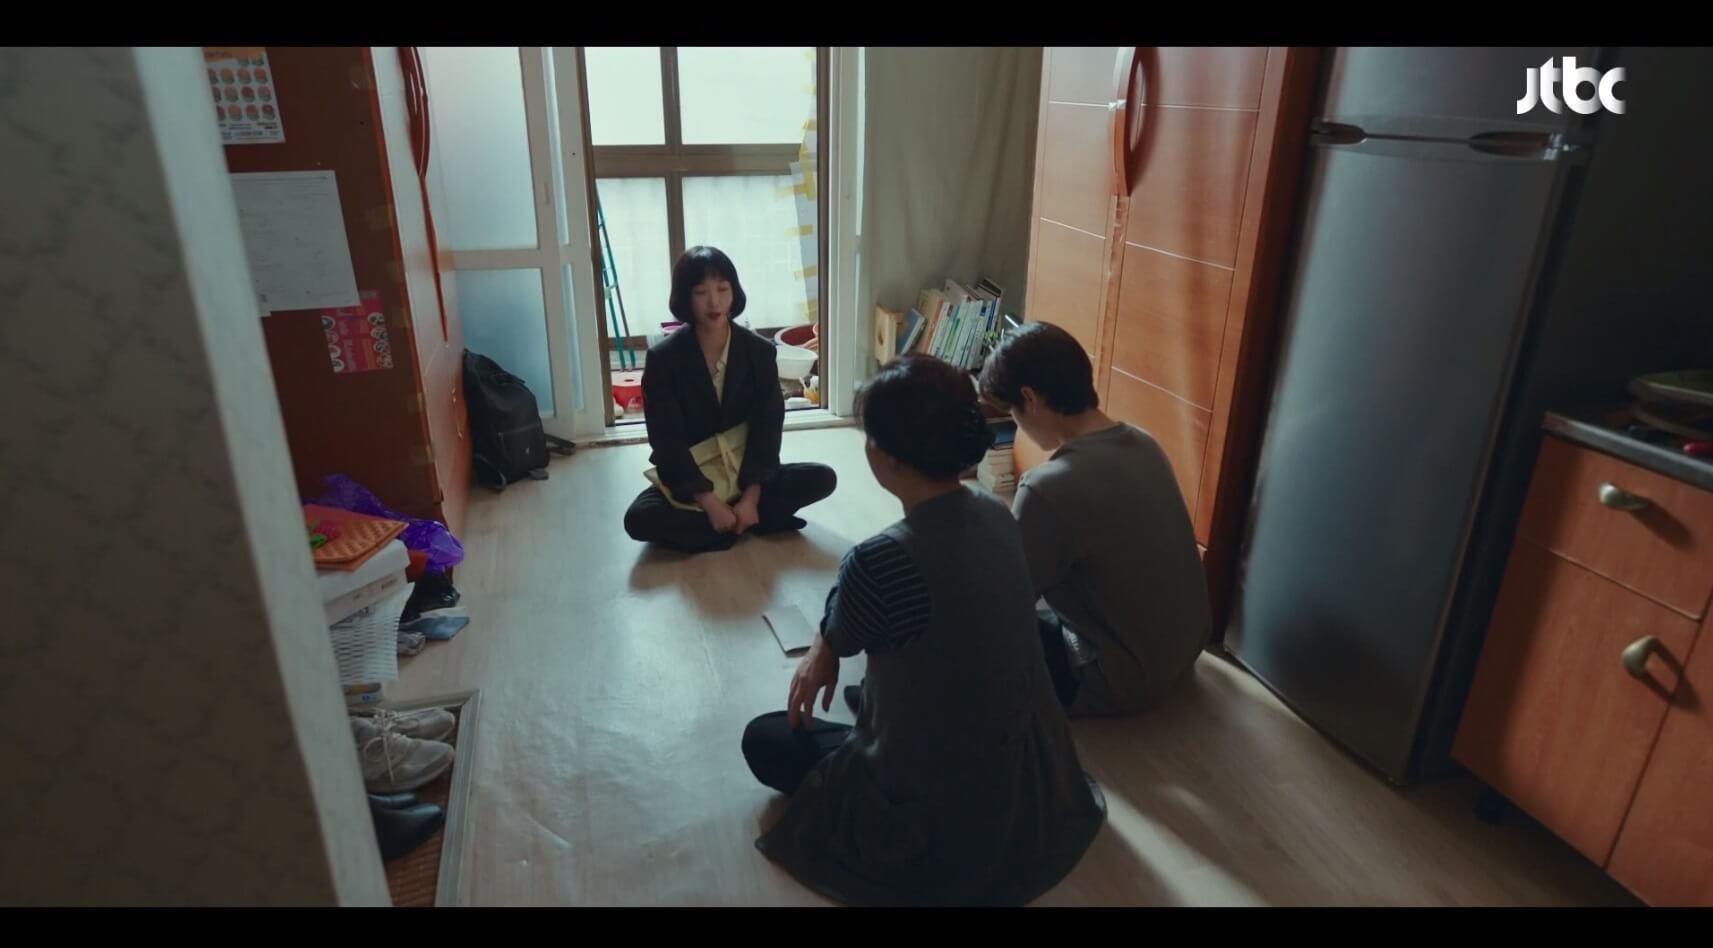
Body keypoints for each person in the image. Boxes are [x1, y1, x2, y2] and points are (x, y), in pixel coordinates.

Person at [740, 354, 1106, 907]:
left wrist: (825, 647)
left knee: (766, 738)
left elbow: (845, 622)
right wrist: (828, 644)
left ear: (886, 457)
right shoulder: (995, 513)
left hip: (937, 812)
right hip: (1033, 783)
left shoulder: (880, 560)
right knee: (881, 686)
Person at [977, 320, 1213, 717]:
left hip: (1120, 678)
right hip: (1182, 654)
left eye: (1012, 412)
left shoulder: (1048, 487)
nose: (1017, 425)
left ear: (1029, 399)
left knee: (960, 625)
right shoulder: (1144, 442)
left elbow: (1004, 601)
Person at [622, 246, 836, 554]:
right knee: (639, 519)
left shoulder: (759, 352)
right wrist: (708, 501)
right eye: (701, 292)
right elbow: (667, 441)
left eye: (723, 289)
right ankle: (742, 523)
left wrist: (750, 496)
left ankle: (734, 519)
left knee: (822, 478)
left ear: (734, 292)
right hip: (694, 479)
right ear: (685, 298)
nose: (714, 302)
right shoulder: (664, 359)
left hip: (746, 472)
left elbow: (767, 427)